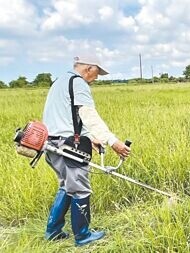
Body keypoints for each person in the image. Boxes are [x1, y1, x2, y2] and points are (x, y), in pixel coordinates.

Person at [42, 55, 131, 246]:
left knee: (66, 186)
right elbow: (89, 116)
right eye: (97, 73)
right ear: (89, 68)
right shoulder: (78, 83)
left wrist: (89, 138)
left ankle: (53, 231)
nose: (97, 78)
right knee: (81, 189)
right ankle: (83, 236)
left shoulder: (59, 82)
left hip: (50, 144)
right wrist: (113, 141)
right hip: (67, 147)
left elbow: (66, 118)